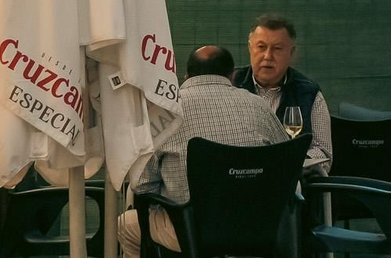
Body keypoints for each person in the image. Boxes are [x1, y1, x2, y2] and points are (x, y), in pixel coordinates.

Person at [119, 45, 288, 258]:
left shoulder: (165, 111)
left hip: (188, 231)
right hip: (256, 230)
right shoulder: (259, 105)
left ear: (187, 75)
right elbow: (285, 163)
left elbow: (143, 185)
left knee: (126, 225)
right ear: (232, 75)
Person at [232, 14, 333, 176]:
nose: (268, 56)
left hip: (289, 181)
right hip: (238, 175)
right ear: (250, 48)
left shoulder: (308, 92)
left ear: (291, 53)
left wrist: (291, 162)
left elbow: (323, 152)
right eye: (261, 47)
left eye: (277, 48)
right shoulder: (231, 84)